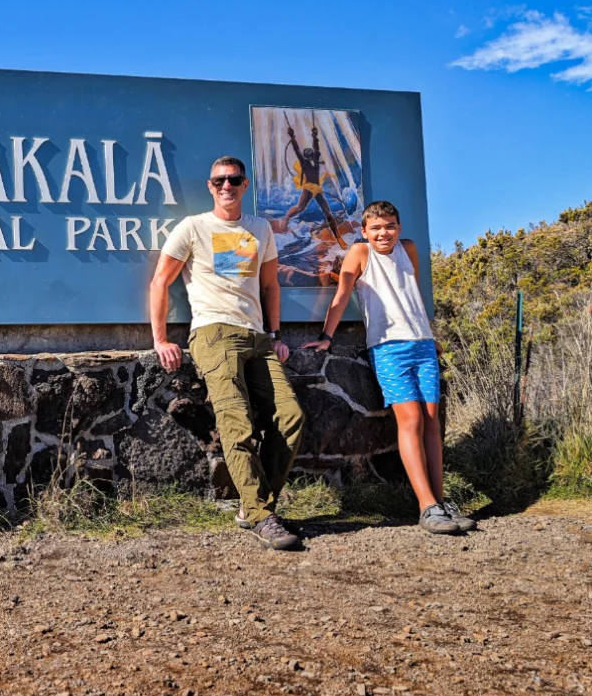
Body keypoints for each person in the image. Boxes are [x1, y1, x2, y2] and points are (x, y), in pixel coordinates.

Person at [150, 156, 306, 550]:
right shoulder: (193, 227)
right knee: (237, 424)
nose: (227, 186)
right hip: (213, 333)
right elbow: (160, 281)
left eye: (234, 180)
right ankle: (259, 514)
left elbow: (271, 287)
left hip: (257, 337)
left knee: (290, 417)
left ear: (245, 184)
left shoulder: (260, 228)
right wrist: (161, 338)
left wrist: (274, 333)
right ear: (210, 185)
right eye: (220, 180)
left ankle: (254, 505)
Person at [300, 200, 475, 535]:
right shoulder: (360, 253)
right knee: (409, 419)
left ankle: (440, 502)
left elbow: (413, 295)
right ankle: (427, 508)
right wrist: (325, 337)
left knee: (431, 422)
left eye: (390, 226)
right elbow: (341, 295)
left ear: (399, 227)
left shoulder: (408, 249)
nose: (384, 233)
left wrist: (429, 334)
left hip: (422, 345)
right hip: (388, 348)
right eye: (376, 228)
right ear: (364, 231)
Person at [276, 121, 348, 250]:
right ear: (305, 156)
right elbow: (297, 149)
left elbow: (316, 148)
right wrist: (292, 137)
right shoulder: (304, 163)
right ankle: (286, 218)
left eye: (311, 155)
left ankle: (338, 238)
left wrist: (314, 136)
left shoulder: (315, 160)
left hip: (317, 189)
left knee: (328, 213)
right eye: (308, 155)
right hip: (308, 188)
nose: (310, 156)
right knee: (299, 208)